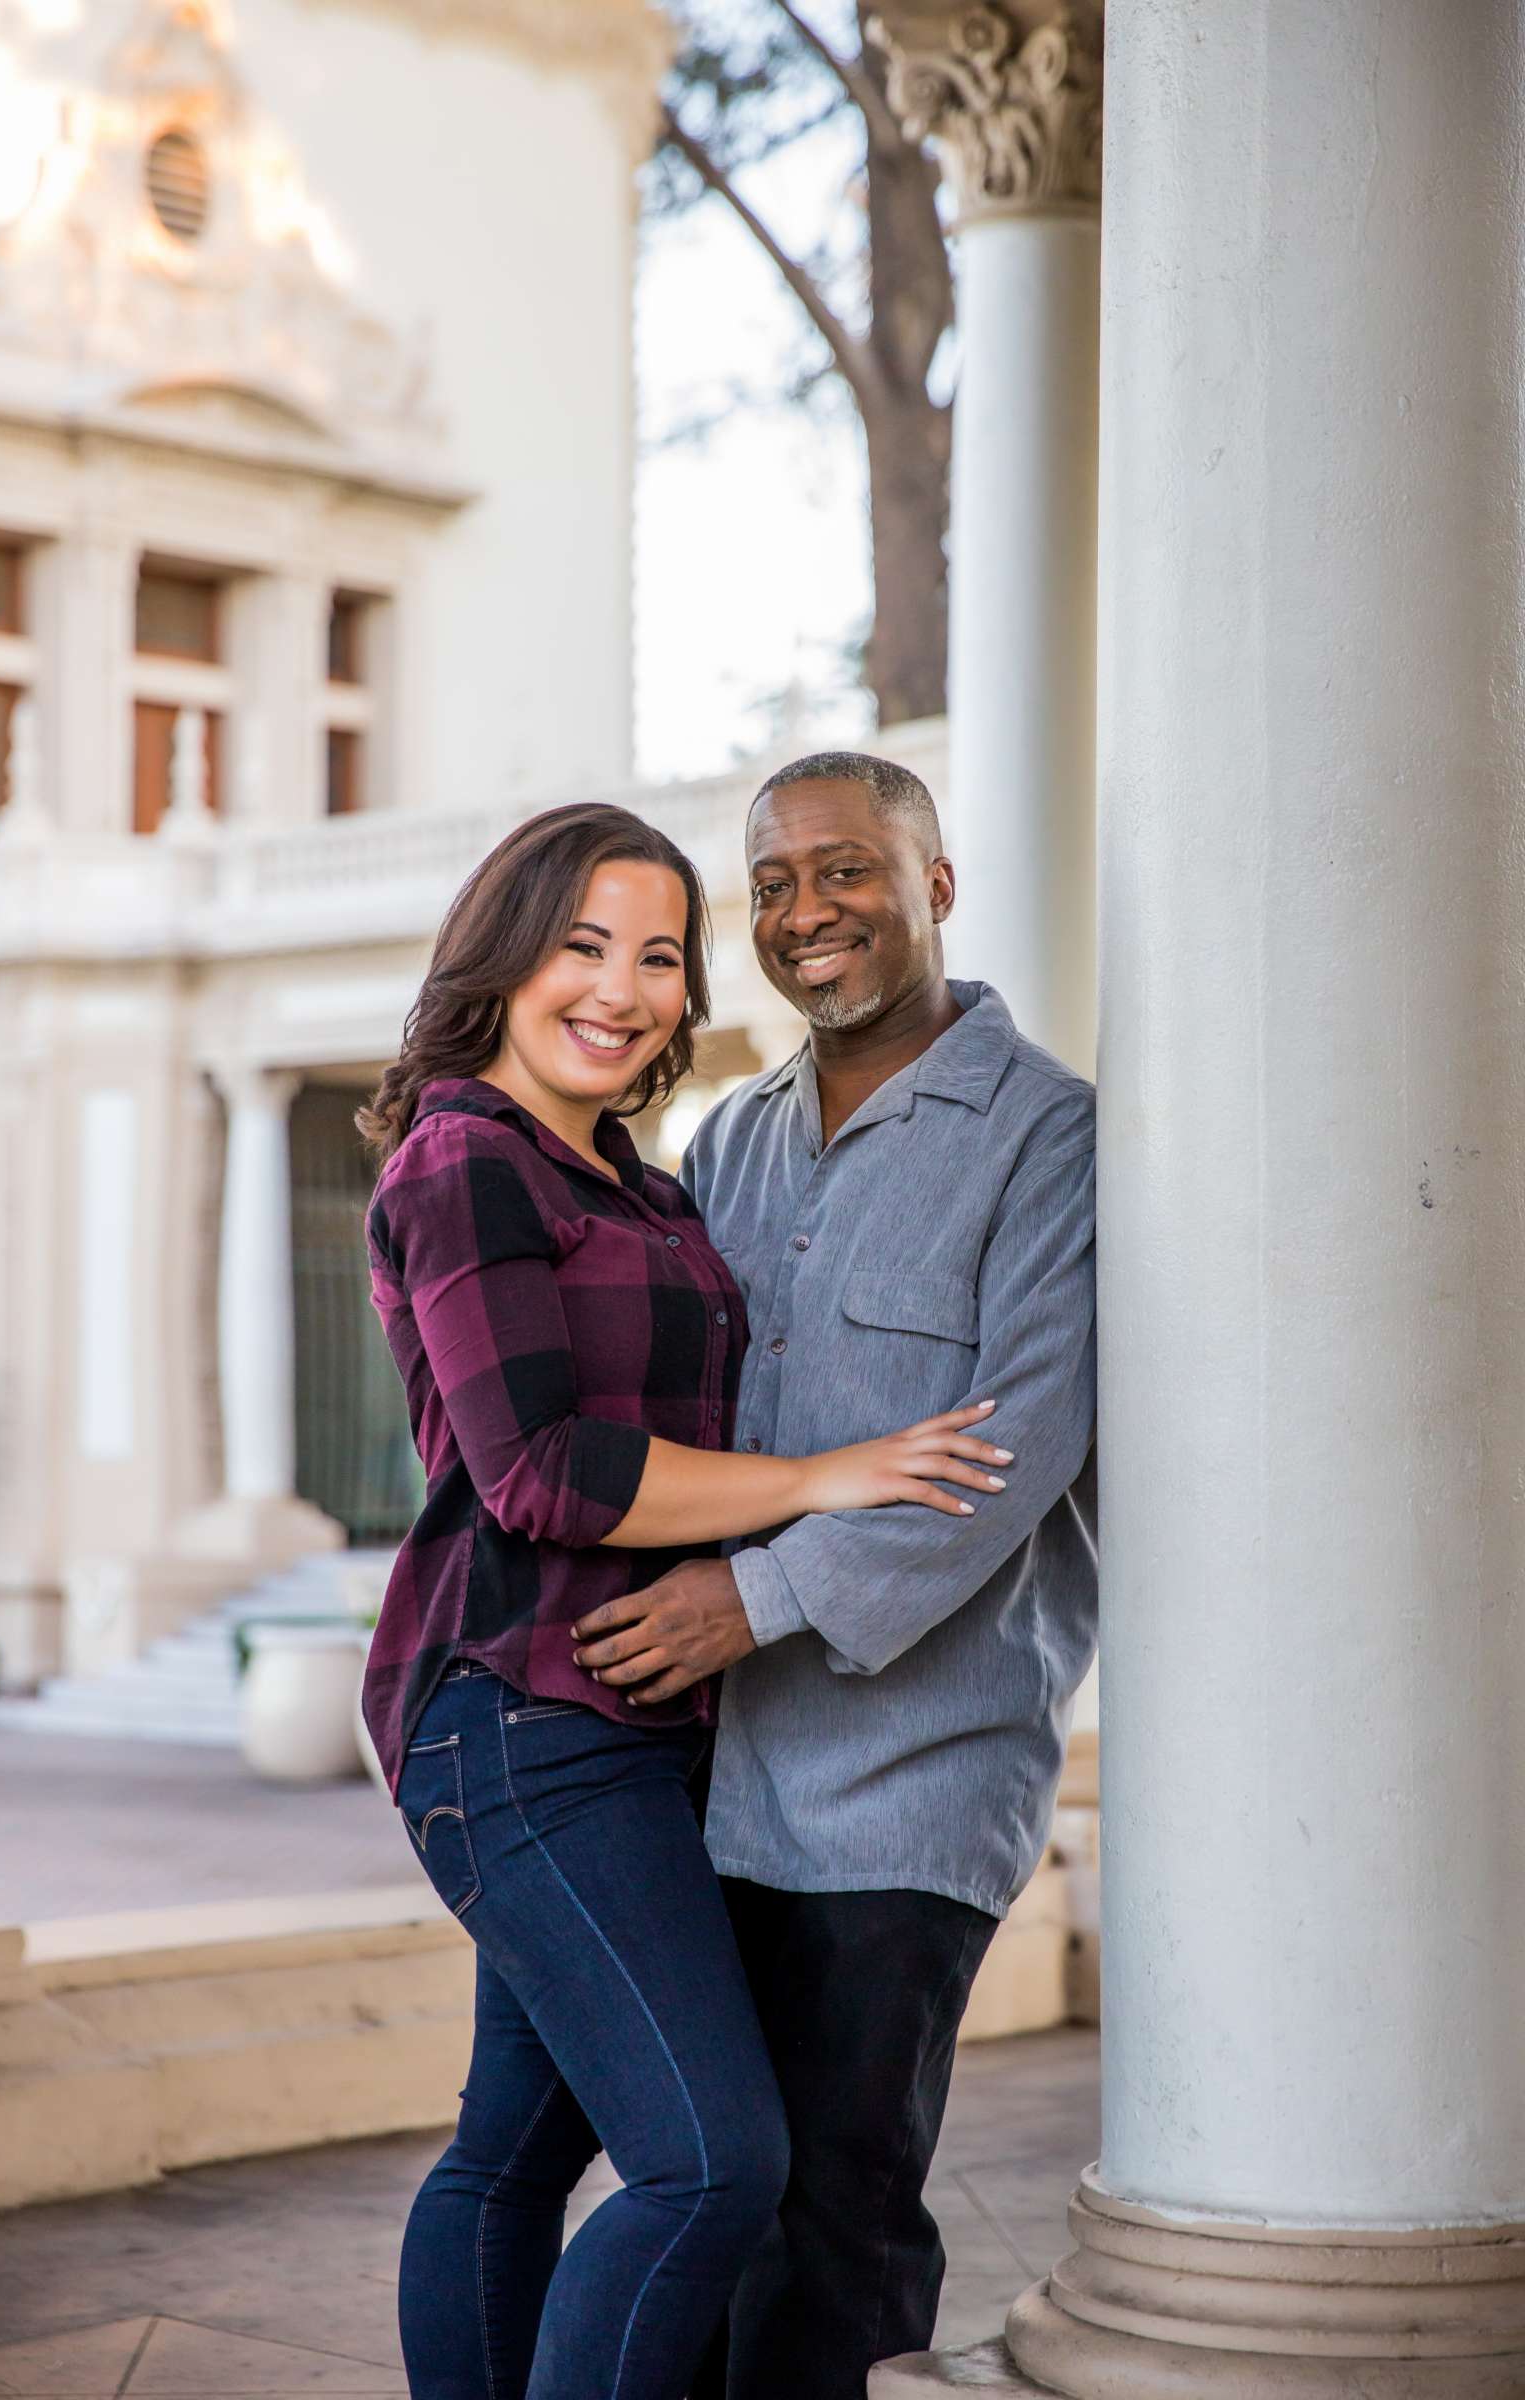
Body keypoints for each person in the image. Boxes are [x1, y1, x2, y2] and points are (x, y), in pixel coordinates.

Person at [356, 799, 1011, 2400]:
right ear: (501, 959)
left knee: (508, 2156)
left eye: (659, 954)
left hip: (641, 1724)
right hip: (515, 1714)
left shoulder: (641, 1183)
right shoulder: (466, 1157)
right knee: (710, 2166)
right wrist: (829, 1478)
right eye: (582, 945)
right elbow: (546, 1477)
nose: (623, 987)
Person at [569, 752, 1099, 2399]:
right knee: (714, 2201)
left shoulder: (1048, 1136)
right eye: (778, 883)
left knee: (837, 2213)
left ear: (934, 886)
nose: (809, 912)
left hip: (908, 1786)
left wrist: (757, 1598)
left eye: (848, 871)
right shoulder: (732, 1138)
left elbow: (1017, 1446)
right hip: (715, 1773)